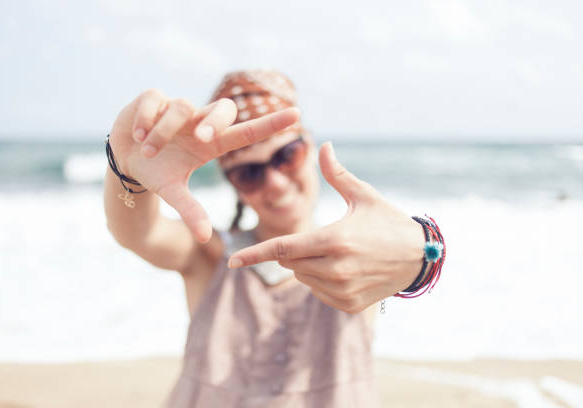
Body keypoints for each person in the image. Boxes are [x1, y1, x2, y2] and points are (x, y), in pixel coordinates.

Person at [104, 70, 444, 407]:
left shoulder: (354, 256)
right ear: (233, 184)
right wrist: (129, 172)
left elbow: (405, 254)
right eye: (249, 173)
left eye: (286, 156)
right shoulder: (209, 255)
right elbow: (138, 233)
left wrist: (422, 251)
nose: (276, 183)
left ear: (308, 147)